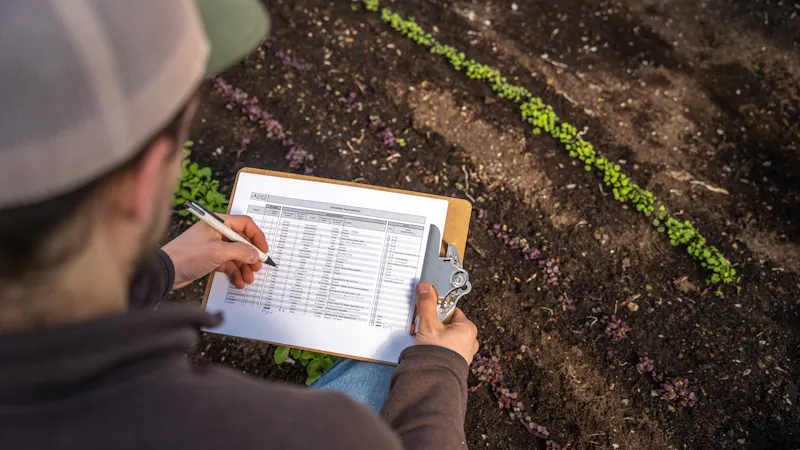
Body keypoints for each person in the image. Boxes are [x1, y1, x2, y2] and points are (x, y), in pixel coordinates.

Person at [0, 0, 480, 449]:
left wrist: (161, 270)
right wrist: (438, 378)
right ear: (140, 186)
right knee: (388, 368)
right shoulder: (301, 433)